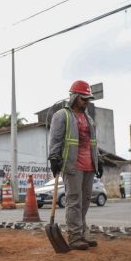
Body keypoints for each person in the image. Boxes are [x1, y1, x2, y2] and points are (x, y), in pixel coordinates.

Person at [47, 80, 102, 250]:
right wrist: (54, 157)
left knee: (85, 201)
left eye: (88, 99)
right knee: (74, 200)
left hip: (89, 165)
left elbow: (93, 143)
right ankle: (74, 237)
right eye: (83, 99)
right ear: (75, 97)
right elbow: (55, 139)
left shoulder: (89, 119)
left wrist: (98, 161)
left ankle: (82, 233)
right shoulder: (62, 115)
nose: (86, 102)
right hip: (72, 165)